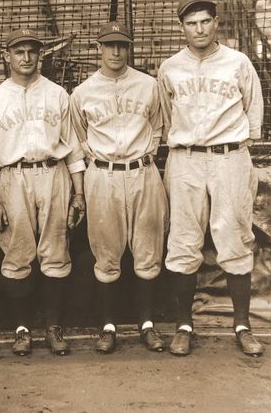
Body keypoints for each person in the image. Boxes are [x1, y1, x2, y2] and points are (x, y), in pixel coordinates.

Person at [158, 0, 265, 357]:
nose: (199, 28)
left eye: (205, 21)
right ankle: (184, 326)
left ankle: (242, 326)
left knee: (233, 236)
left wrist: (238, 146)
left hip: (229, 156)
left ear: (216, 22)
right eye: (191, 23)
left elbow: (253, 109)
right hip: (185, 158)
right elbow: (164, 115)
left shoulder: (237, 62)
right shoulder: (170, 67)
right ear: (182, 27)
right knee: (184, 239)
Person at [0, 28, 86, 357]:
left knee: (55, 253)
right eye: (19, 51)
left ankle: (53, 326)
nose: (26, 58)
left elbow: (73, 150)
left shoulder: (57, 94)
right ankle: (22, 328)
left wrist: (78, 193)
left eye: (32, 51)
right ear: (7, 56)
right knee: (17, 253)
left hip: (53, 173)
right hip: (14, 176)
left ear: (40, 55)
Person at [70, 21, 168, 354]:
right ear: (98, 48)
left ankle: (147, 325)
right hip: (103, 175)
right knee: (106, 253)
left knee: (147, 251)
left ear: (129, 48)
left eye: (122, 45)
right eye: (109, 45)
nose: (116, 51)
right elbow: (80, 138)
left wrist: (147, 153)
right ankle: (108, 326)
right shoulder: (82, 92)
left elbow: (158, 127)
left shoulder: (149, 85)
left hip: (142, 172)